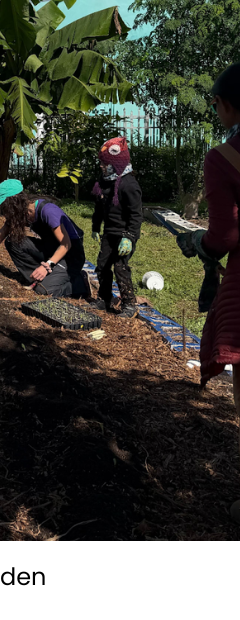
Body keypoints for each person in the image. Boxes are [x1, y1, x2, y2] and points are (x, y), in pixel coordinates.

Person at [175, 64, 240, 525]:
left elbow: (225, 236)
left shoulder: (224, 157)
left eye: (216, 103)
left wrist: (199, 242)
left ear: (228, 104)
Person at [0, 179, 89, 298]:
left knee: (43, 290)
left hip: (71, 256)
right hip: (51, 248)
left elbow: (66, 244)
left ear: (14, 202)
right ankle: (36, 277)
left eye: (4, 206)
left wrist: (47, 266)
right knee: (12, 242)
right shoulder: (21, 213)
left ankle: (81, 283)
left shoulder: (48, 211)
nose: (3, 210)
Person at [90, 137, 143, 317]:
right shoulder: (104, 181)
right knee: (102, 265)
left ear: (116, 164)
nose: (101, 166)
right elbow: (99, 207)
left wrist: (129, 237)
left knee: (120, 268)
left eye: (105, 163)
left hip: (124, 235)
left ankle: (129, 304)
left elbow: (136, 215)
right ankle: (104, 298)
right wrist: (96, 227)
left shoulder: (129, 185)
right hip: (109, 232)